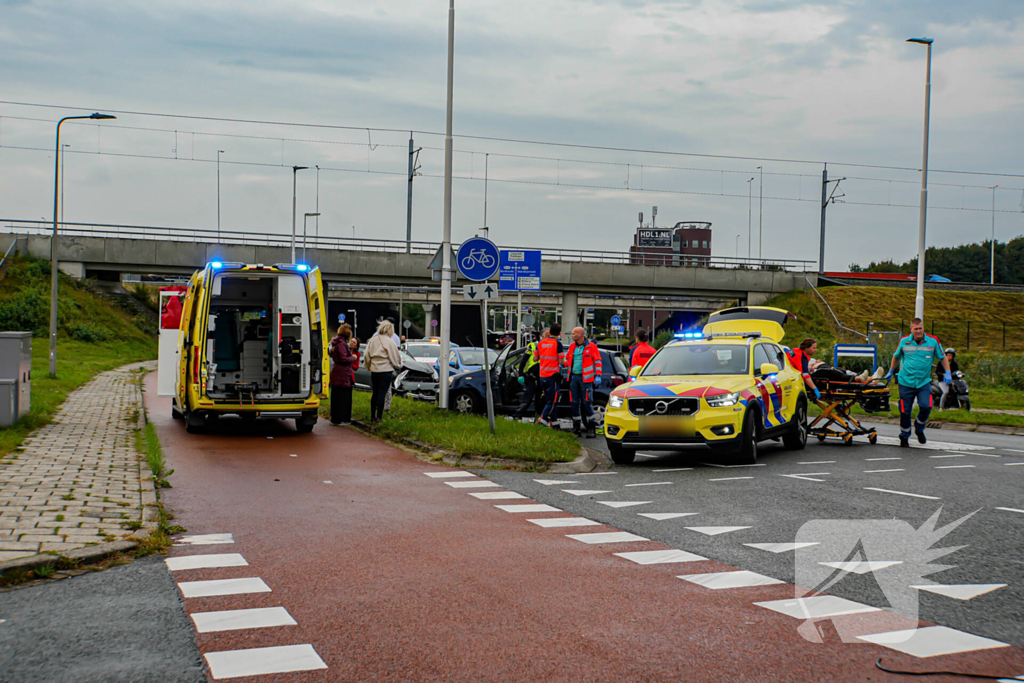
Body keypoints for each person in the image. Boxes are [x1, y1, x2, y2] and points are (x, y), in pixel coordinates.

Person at [885, 318, 949, 447]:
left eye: (920, 328)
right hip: (905, 381)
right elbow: (896, 356)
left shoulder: (933, 341)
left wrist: (948, 372)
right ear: (911, 329)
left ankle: (919, 427)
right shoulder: (904, 341)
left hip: (923, 382)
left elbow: (943, 357)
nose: (918, 331)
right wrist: (891, 371)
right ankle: (904, 436)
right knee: (905, 410)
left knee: (926, 406)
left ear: (923, 328)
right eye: (916, 329)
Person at [563, 326, 603, 438]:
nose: (572, 335)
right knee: (574, 403)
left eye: (574, 333)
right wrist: (562, 363)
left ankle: (591, 428)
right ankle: (576, 428)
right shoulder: (572, 347)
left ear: (581, 335)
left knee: (587, 403)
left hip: (586, 380)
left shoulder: (591, 347)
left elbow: (598, 361)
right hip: (573, 378)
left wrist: (598, 375)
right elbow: (568, 360)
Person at [365, 320, 402, 422]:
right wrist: (398, 365)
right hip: (386, 370)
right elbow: (395, 357)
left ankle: (372, 415)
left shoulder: (372, 340)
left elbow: (366, 355)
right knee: (382, 393)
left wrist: (368, 365)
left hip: (374, 369)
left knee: (375, 393)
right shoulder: (391, 342)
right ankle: (379, 416)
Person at [534, 323, 564, 428]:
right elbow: (562, 362)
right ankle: (542, 420)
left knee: (549, 400)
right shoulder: (558, 344)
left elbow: (535, 359)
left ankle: (555, 424)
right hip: (553, 377)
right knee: (553, 401)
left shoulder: (540, 343)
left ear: (550, 332)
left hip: (542, 375)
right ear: (559, 333)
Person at [328, 324, 355, 425]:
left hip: (336, 372)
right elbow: (344, 358)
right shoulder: (342, 344)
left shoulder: (335, 342)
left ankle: (335, 417)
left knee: (336, 396)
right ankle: (342, 418)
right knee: (343, 397)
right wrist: (352, 358)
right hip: (343, 373)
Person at [513, 332, 543, 420]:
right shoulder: (532, 346)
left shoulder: (548, 346)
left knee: (539, 399)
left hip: (542, 376)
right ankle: (516, 416)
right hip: (532, 376)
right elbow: (523, 361)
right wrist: (520, 374)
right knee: (528, 399)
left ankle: (537, 418)